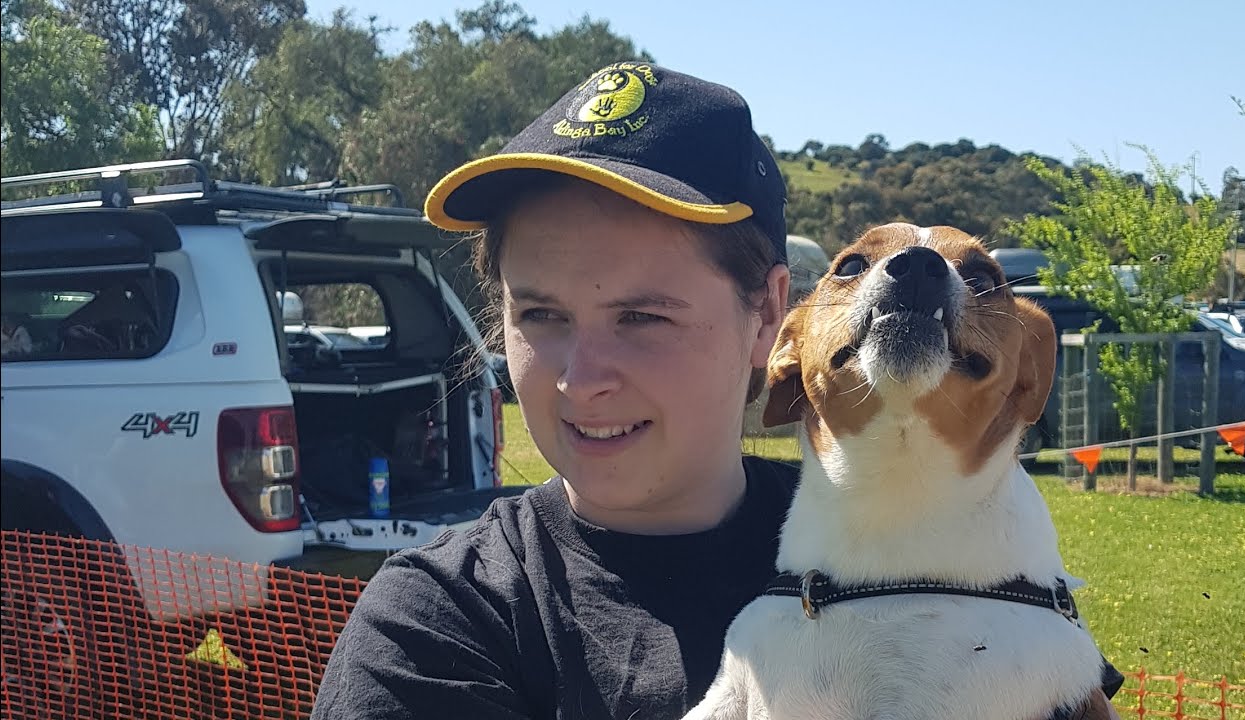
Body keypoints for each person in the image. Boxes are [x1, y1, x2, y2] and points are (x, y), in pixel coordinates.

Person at [309, 61, 1124, 720]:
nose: (581, 379)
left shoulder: (919, 540)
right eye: (541, 315)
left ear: (768, 316)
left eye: (642, 316)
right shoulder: (435, 626)